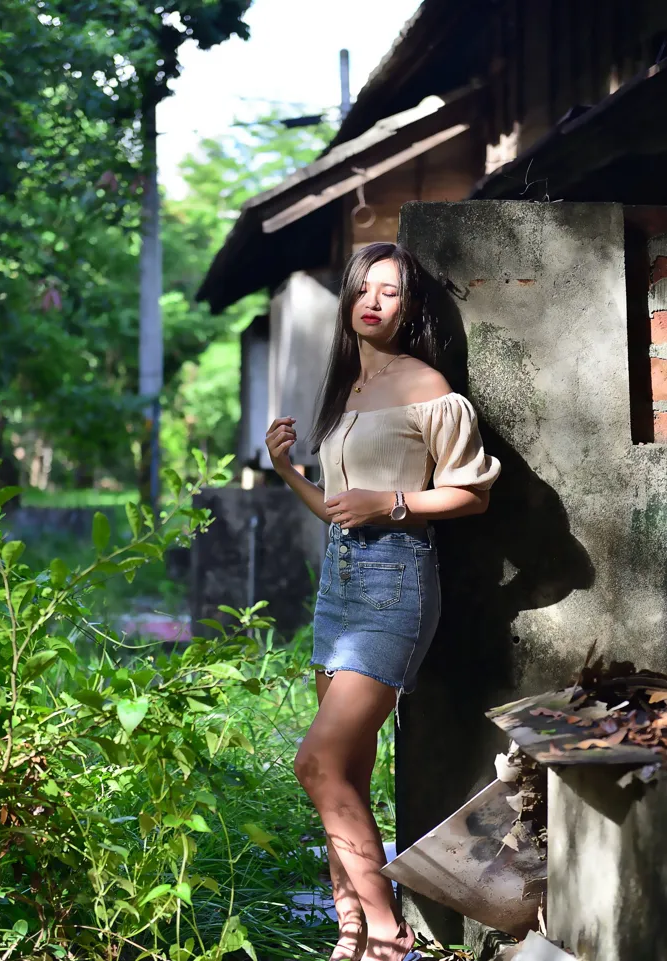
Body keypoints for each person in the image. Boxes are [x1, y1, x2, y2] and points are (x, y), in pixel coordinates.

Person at [264, 242, 501, 961]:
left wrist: (392, 501)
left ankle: (388, 934)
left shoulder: (424, 383)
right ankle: (350, 934)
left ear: (408, 307)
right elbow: (343, 512)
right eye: (363, 288)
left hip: (393, 584)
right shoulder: (348, 390)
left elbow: (471, 491)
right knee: (348, 770)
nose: (373, 300)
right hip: (338, 584)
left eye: (390, 292)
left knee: (316, 762)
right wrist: (287, 471)